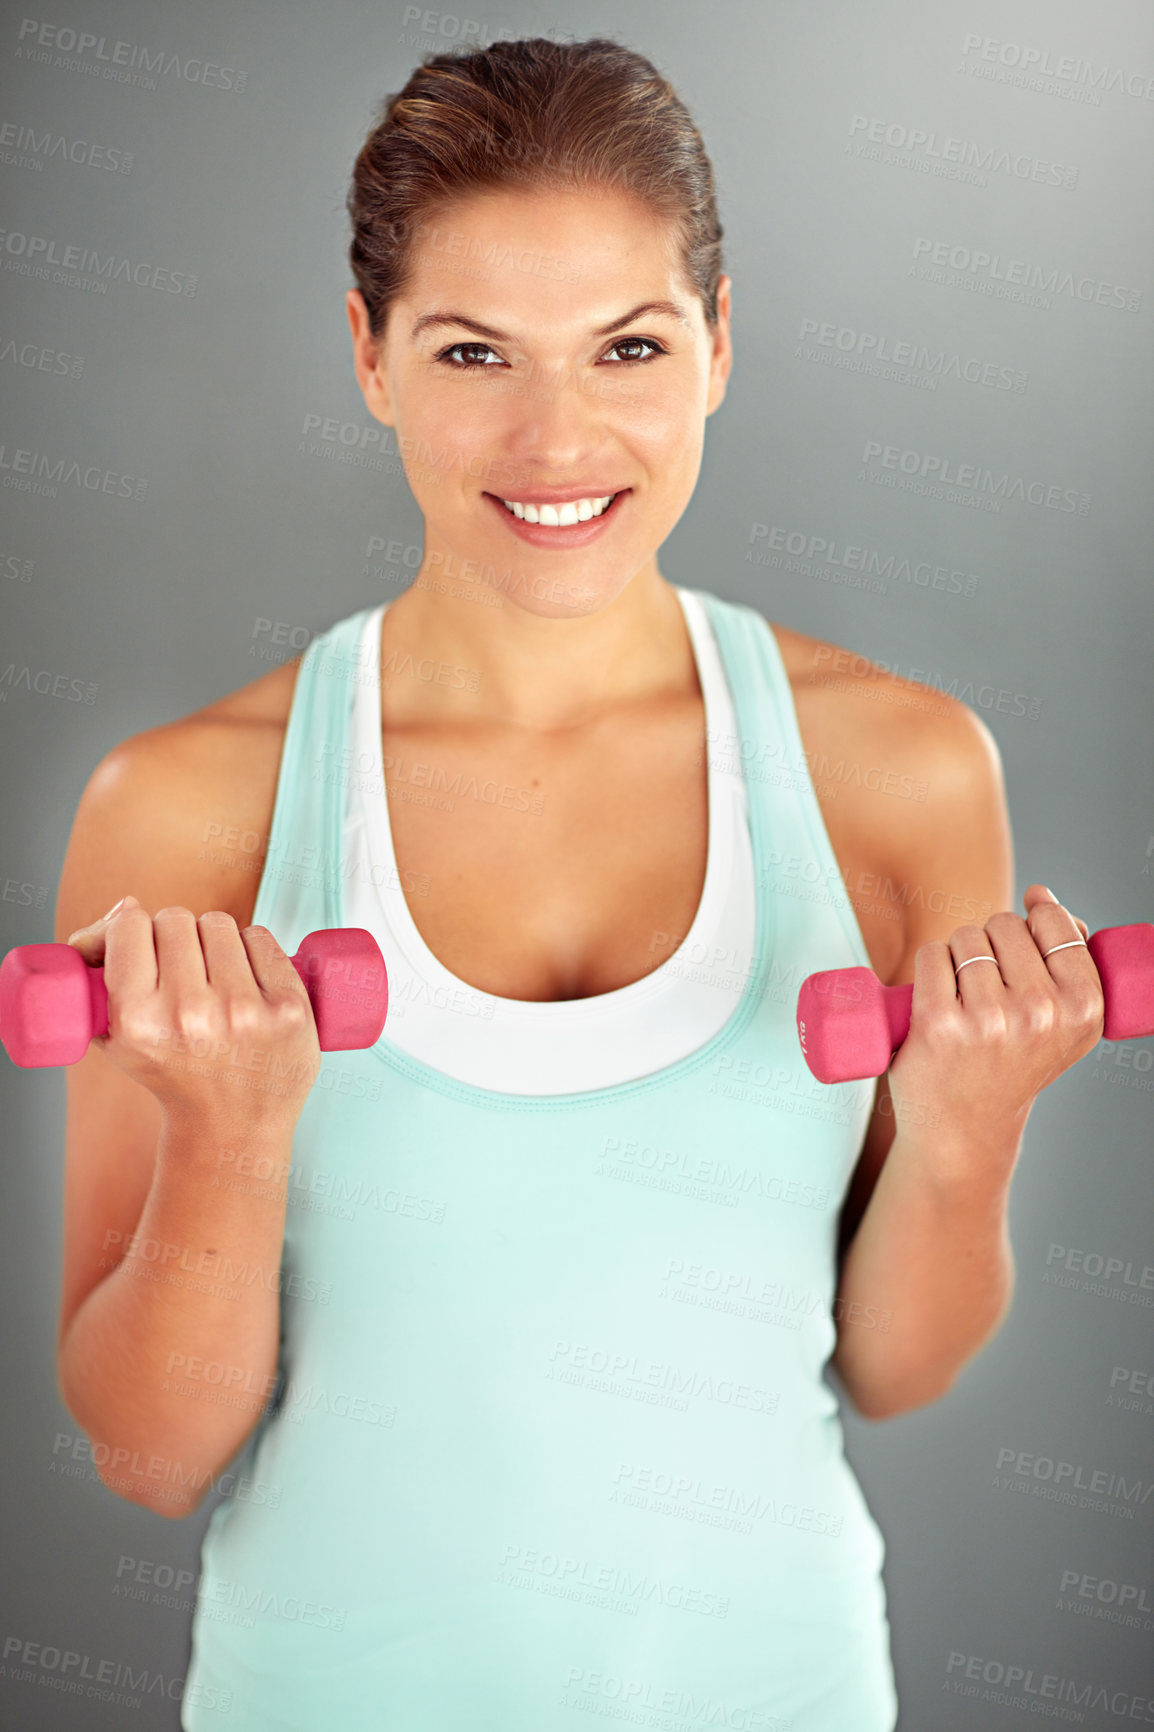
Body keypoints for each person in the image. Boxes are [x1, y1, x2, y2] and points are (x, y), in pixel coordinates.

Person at [53, 35, 1105, 1732]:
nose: (556, 439)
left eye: (628, 345)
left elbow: (893, 1367)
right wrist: (234, 1131)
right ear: (367, 356)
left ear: (718, 347)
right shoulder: (183, 809)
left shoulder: (902, 772)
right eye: (472, 350)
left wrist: (971, 1122)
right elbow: (146, 1453)